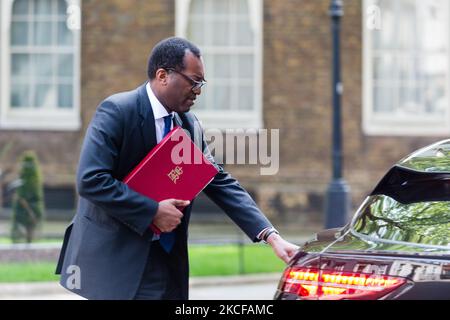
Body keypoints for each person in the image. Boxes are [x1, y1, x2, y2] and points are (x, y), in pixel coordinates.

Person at [56, 37, 299, 300]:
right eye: (194, 81)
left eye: (201, 83)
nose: (198, 91)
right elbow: (91, 180)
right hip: (119, 261)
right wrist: (152, 211)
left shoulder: (189, 123)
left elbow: (218, 180)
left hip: (166, 264)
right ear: (162, 75)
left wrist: (271, 236)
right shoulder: (117, 111)